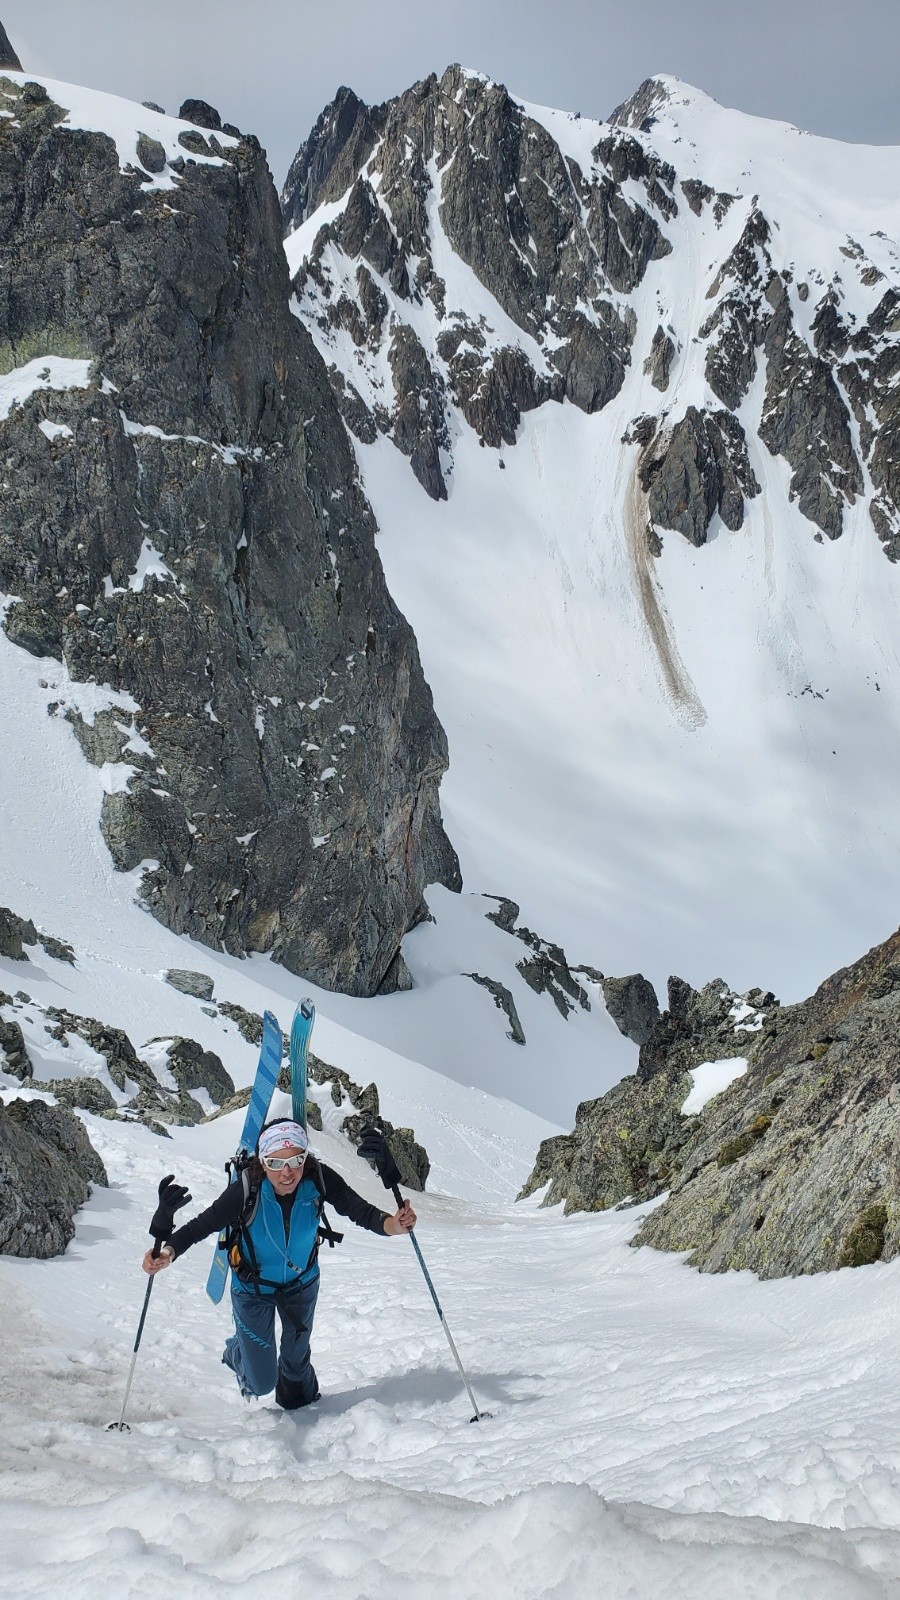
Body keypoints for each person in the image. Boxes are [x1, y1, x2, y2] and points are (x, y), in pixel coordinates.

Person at [142, 1118, 416, 1409]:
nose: (287, 1173)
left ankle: (305, 1405)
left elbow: (361, 1212)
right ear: (263, 1161)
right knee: (261, 1383)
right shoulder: (247, 1189)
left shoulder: (320, 1179)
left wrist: (395, 1225)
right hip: (252, 1291)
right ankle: (237, 1351)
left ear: (305, 1158)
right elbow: (202, 1225)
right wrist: (167, 1253)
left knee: (296, 1378)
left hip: (301, 1286)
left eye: (296, 1160)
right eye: (275, 1163)